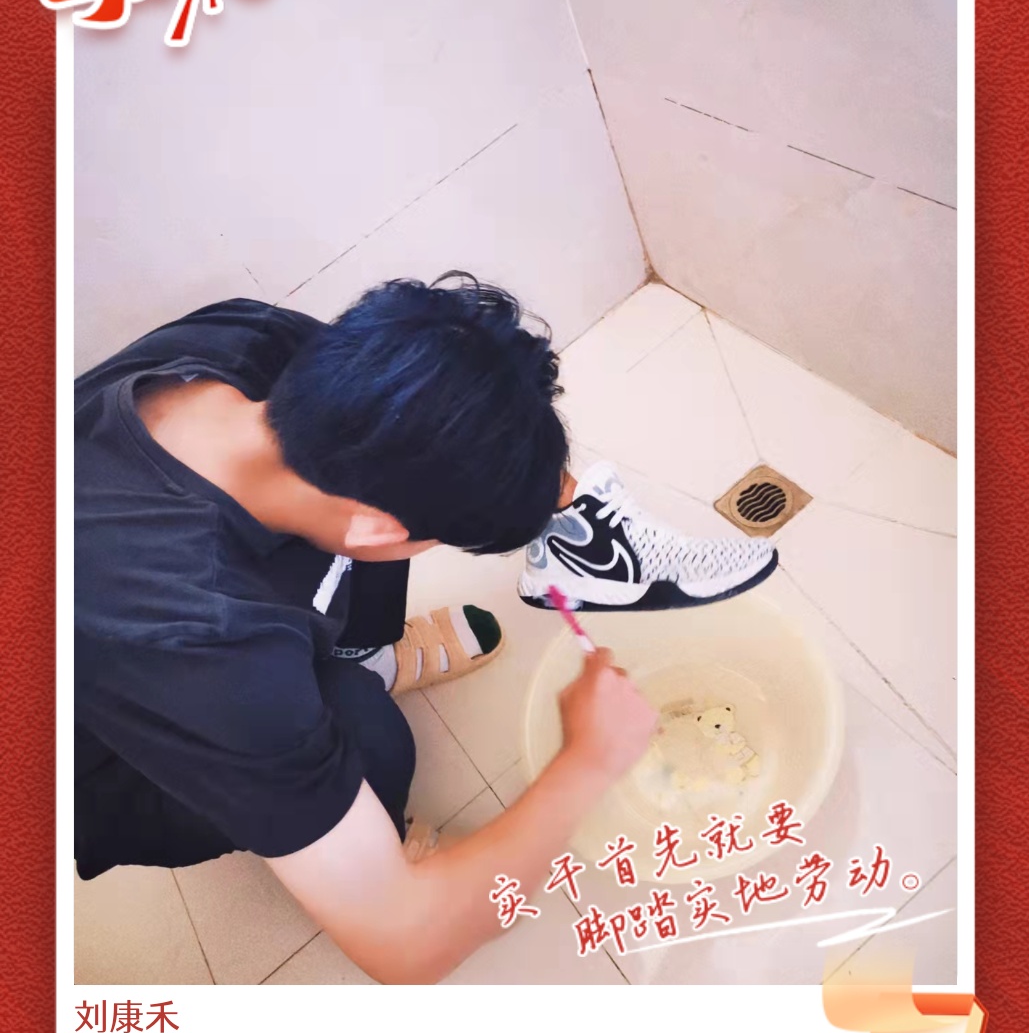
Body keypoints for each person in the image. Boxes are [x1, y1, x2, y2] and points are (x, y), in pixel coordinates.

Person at [75, 273, 774, 983]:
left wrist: (554, 499)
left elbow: (426, 418)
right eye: (436, 540)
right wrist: (591, 758)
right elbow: (403, 948)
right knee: (371, 735)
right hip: (105, 764)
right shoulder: (204, 648)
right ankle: (354, 784)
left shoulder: (254, 342)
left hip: (179, 631)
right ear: (376, 525)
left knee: (359, 551)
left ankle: (366, 656)